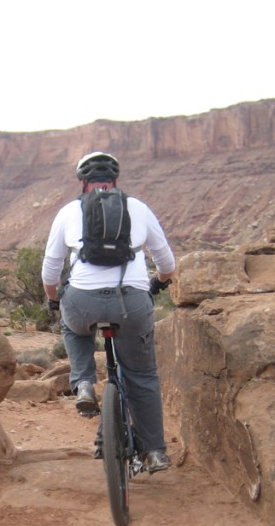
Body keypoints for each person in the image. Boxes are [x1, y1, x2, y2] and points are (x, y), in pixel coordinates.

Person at [42, 151, 176, 473]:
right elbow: (167, 264)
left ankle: (85, 383)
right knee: (142, 376)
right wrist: (158, 283)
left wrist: (54, 300)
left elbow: (50, 271)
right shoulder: (138, 208)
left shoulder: (69, 211)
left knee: (72, 328)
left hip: (82, 302)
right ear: (115, 180)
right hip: (131, 304)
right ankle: (155, 451)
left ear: (82, 182)